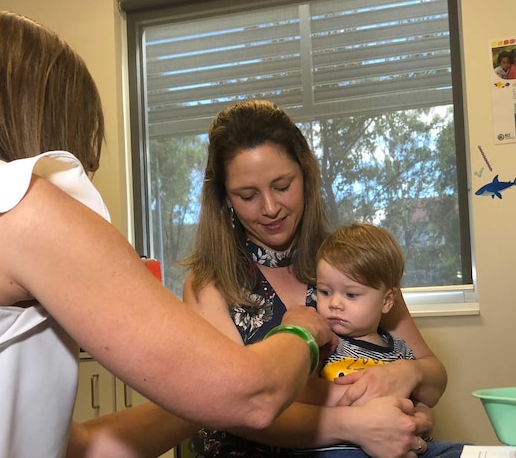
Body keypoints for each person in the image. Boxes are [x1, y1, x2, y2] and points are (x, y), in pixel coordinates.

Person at [0, 11, 337, 458]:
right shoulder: (16, 204)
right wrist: (303, 329)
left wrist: (199, 394)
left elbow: (80, 448)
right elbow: (253, 395)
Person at [182, 99, 460, 458]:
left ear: (307, 176)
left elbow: (434, 379)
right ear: (225, 200)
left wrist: (407, 377)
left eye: (282, 185)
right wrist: (361, 426)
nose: (270, 208)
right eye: (248, 195)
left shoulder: (353, 260)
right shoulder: (210, 285)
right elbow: (236, 408)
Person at [294, 223, 466, 458]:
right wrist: (359, 400)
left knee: (464, 451)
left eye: (351, 294)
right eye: (325, 292)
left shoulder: (400, 351)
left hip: (400, 445)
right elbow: (301, 390)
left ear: (387, 301)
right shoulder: (324, 342)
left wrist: (423, 417)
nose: (334, 303)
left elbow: (419, 402)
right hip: (340, 447)